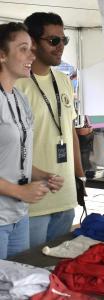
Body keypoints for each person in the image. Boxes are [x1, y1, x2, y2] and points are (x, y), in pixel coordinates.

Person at [16, 12, 85, 248]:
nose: (61, 47)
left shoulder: (64, 80)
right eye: (54, 41)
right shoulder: (15, 83)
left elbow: (70, 132)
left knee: (54, 270)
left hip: (65, 198)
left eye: (64, 40)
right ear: (33, 43)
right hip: (31, 201)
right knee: (28, 275)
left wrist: (79, 175)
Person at [0, 22, 63, 259]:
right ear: (2, 55)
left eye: (32, 48)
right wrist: (19, 190)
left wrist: (43, 176)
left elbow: (16, 160)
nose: (31, 54)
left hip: (19, 216)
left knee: (19, 289)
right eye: (23, 48)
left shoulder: (19, 97)